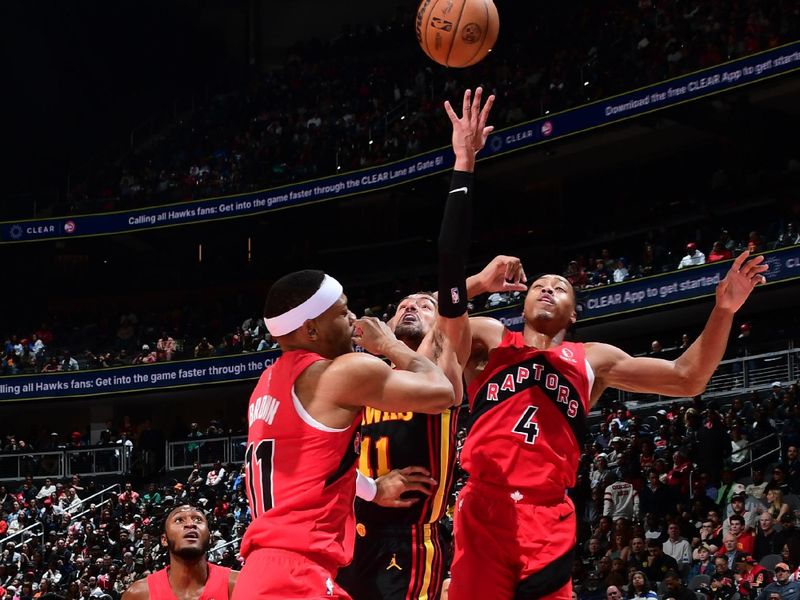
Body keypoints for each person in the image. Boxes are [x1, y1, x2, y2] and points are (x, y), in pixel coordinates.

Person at [447, 248, 767, 600]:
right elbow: (420, 330)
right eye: (539, 285)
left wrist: (724, 310)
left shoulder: (592, 358)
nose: (548, 289)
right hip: (485, 502)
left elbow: (687, 378)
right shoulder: (490, 337)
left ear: (572, 316)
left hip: (548, 513)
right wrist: (477, 283)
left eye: (560, 287)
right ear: (521, 305)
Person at [337, 87, 515, 600]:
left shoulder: (440, 357)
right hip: (350, 532)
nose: (412, 306)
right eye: (404, 305)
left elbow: (449, 263)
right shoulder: (359, 372)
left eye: (426, 304)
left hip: (409, 540)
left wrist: (464, 162)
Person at [231, 268, 454, 598]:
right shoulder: (339, 373)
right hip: (296, 576)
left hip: (264, 572)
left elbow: (316, 467)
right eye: (342, 311)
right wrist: (391, 345)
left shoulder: (264, 387)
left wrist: (371, 490)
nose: (352, 318)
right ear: (311, 329)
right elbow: (441, 392)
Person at [121, 504, 237, 599]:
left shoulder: (238, 584)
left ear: (210, 537)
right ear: (164, 540)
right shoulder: (138, 594)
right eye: (179, 520)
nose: (190, 524)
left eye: (198, 519)